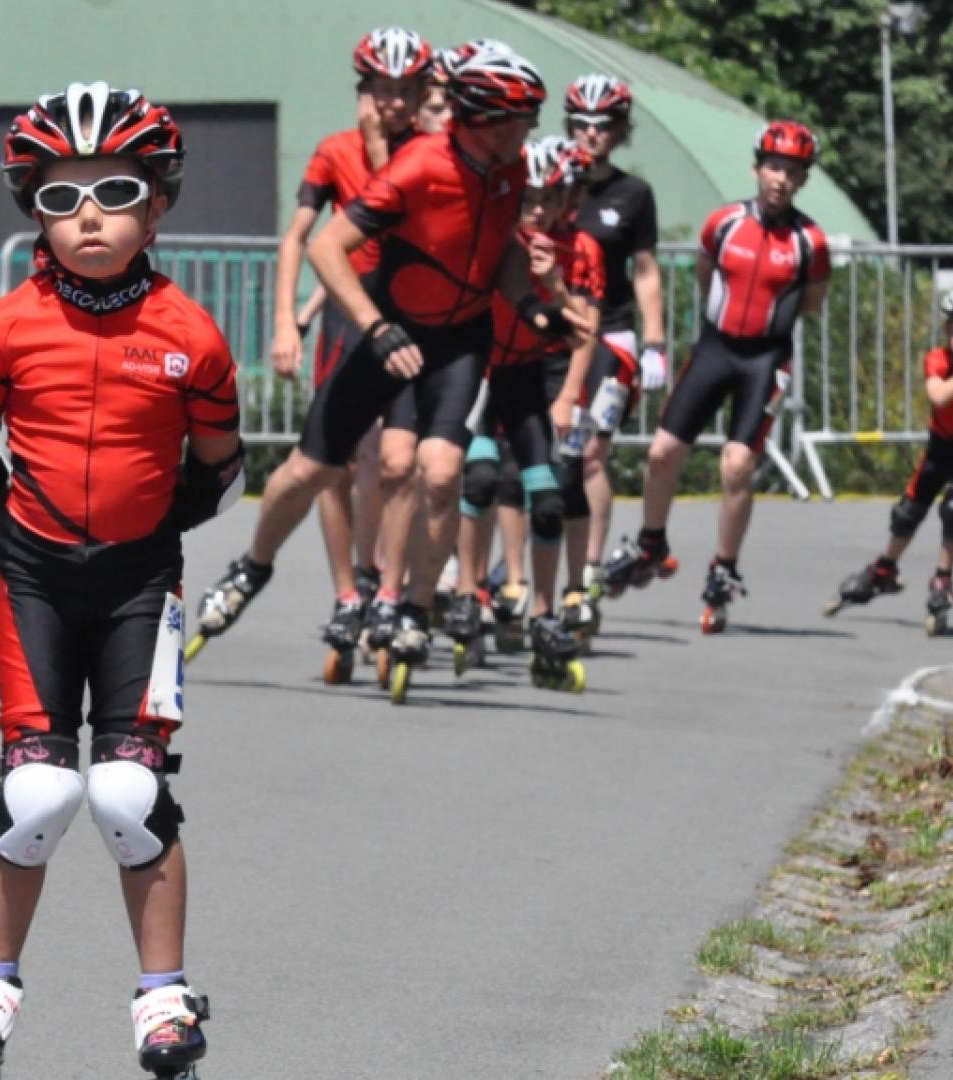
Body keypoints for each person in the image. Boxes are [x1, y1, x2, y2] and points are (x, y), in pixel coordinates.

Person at [0, 81, 242, 1080]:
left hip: (141, 586)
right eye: (61, 198)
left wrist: (144, 546)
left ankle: (164, 998)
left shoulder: (192, 336)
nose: (89, 216)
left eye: (116, 191)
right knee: (34, 793)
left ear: (159, 205)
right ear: (34, 212)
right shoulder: (5, 329)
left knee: (126, 793)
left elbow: (218, 473)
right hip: (33, 580)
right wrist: (18, 547)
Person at [187, 42, 587, 695]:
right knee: (311, 470)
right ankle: (253, 564)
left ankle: (414, 610)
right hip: (390, 328)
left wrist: (534, 310)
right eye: (517, 121)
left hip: (461, 340)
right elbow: (326, 246)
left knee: (441, 471)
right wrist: (374, 327)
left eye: (529, 121)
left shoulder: (510, 169)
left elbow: (503, 254)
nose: (526, 135)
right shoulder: (420, 166)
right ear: (480, 117)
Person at [603, 121, 831, 633]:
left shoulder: (810, 241)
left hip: (765, 358)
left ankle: (724, 568)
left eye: (792, 172)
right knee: (662, 453)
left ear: (802, 181)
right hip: (716, 347)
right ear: (756, 170)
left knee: (737, 464)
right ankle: (650, 544)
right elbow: (707, 274)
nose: (780, 179)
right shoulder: (724, 222)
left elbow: (812, 301)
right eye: (773, 168)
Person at [268, 27, 434, 681]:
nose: (394, 103)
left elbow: (402, 218)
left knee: (398, 464)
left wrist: (380, 149)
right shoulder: (334, 150)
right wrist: (286, 323)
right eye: (382, 89)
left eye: (406, 91)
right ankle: (347, 593)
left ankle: (388, 586)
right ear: (364, 91)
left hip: (409, 317)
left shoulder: (431, 153)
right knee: (332, 466)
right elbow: (297, 238)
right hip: (347, 313)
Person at [447, 136, 598, 692]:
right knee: (481, 478)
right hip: (483, 375)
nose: (535, 211)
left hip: (529, 378)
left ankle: (543, 614)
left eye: (546, 200)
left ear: (562, 203)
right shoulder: (490, 237)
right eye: (527, 199)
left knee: (550, 502)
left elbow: (583, 329)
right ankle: (467, 593)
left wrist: (554, 282)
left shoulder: (577, 249)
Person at [824, 285, 953, 633]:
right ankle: (884, 569)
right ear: (947, 330)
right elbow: (939, 397)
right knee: (907, 513)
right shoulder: (938, 359)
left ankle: (942, 578)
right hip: (940, 448)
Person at [563, 74, 666, 600]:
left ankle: (589, 567)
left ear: (621, 131)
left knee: (588, 453)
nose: (591, 134)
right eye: (581, 124)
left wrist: (655, 343)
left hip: (612, 333)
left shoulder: (634, 194)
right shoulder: (552, 182)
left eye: (603, 125)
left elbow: (644, 269)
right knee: (543, 455)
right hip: (556, 332)